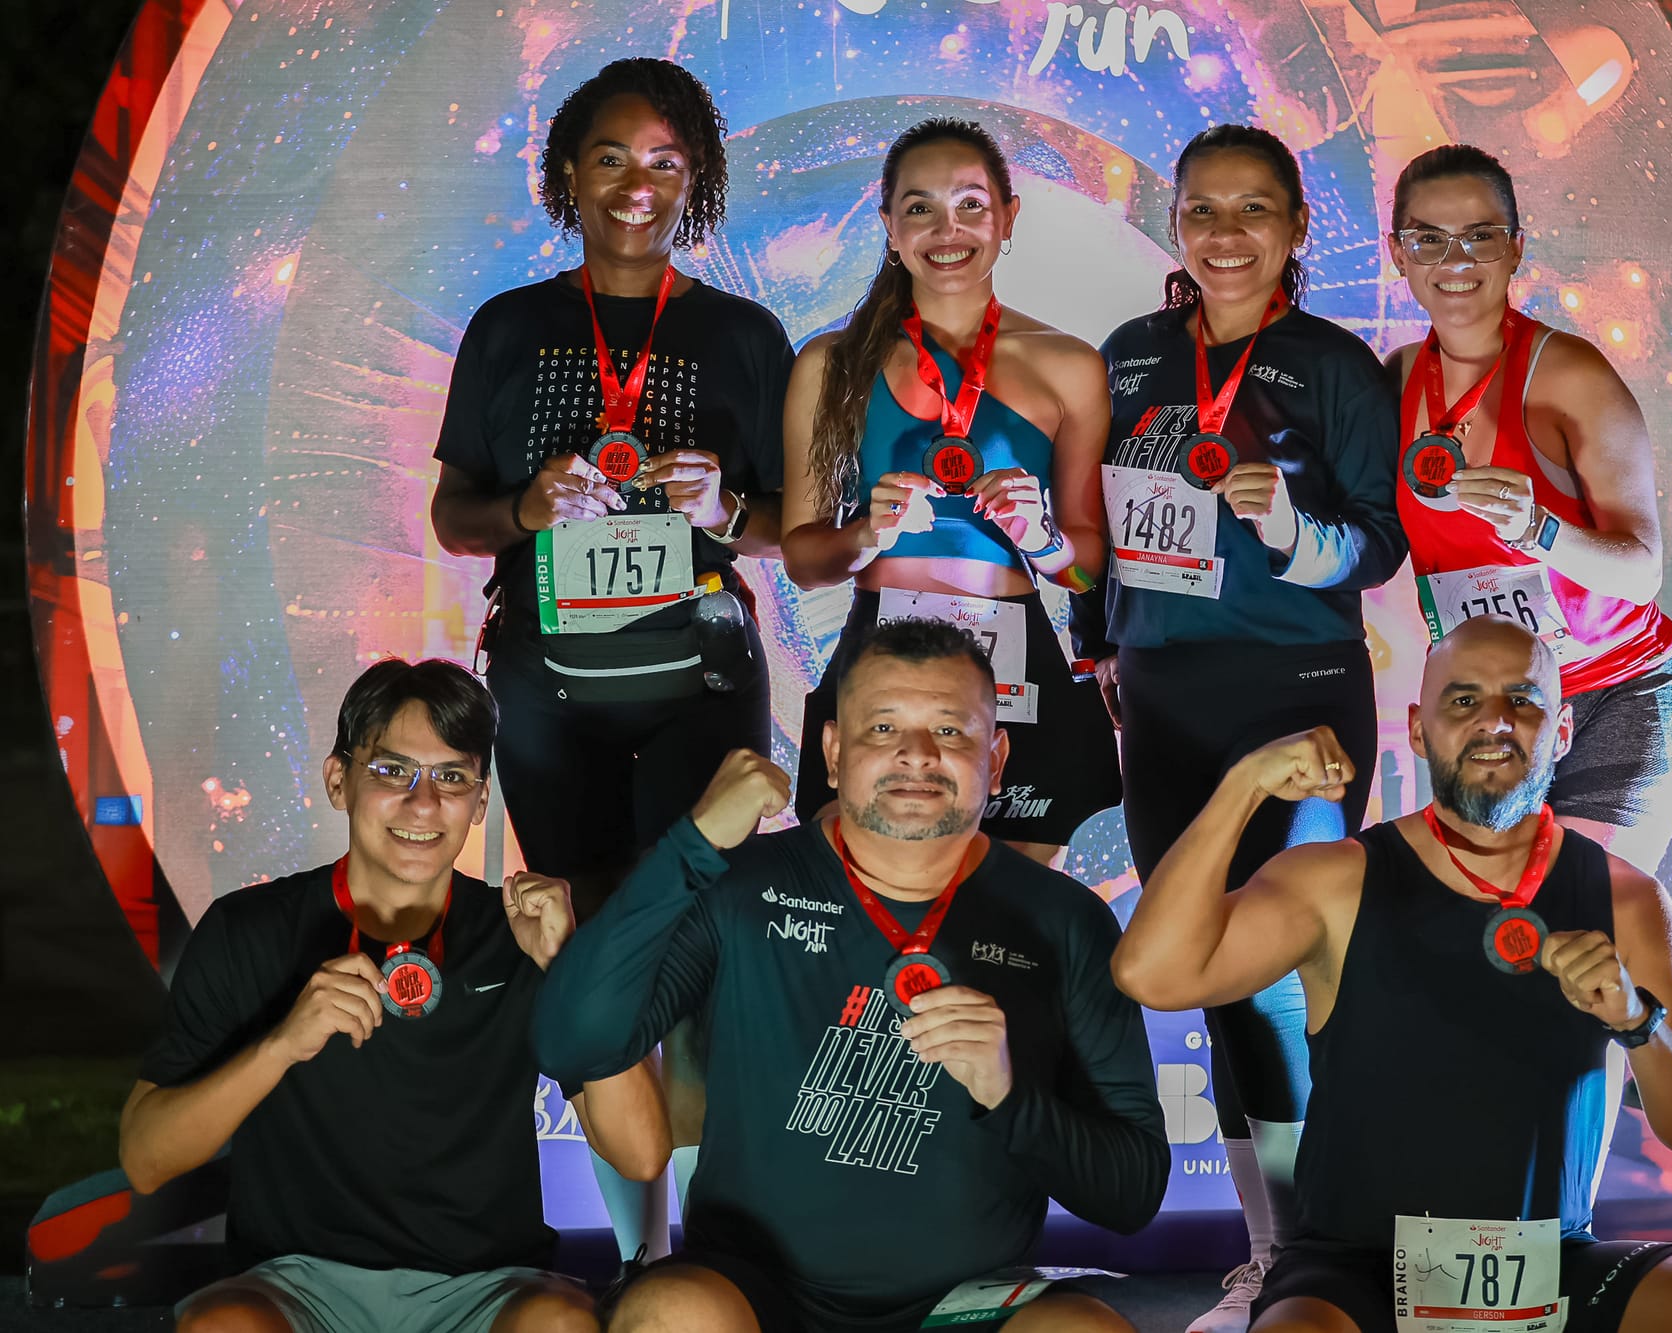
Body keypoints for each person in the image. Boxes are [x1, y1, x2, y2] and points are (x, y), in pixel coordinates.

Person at [1110, 617, 1672, 1333]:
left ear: (1560, 732)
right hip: (1356, 1270)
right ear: (1417, 727)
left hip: (1544, 1268)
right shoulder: (1336, 881)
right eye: (1463, 701)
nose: (1495, 719)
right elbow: (1150, 972)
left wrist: (1637, 1020)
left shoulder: (1624, 901)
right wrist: (1244, 785)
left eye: (1522, 700)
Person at [533, 618, 1169, 1332]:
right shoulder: (740, 885)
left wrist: (1009, 1095)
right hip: (759, 1293)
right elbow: (572, 1042)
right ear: (833, 753)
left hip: (961, 1304)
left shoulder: (1066, 919)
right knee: (669, 1313)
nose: (918, 756)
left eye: (952, 732)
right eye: (884, 728)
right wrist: (694, 842)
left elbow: (1133, 1190)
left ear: (997, 756)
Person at [429, 57, 794, 1260]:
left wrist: (724, 505)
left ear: (694, 179)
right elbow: (454, 518)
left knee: (697, 940)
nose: (635, 185)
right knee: (591, 954)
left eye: (663, 162)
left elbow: (788, 534)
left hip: (698, 677)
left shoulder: (742, 332)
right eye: (608, 159)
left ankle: (721, 1241)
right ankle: (644, 1251)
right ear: (564, 175)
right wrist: (528, 510)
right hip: (547, 687)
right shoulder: (511, 326)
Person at [1073, 123, 1405, 1330]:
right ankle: (1271, 1259)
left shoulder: (1331, 366)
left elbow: (1378, 541)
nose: (1225, 234)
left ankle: (1321, 1252)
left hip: (1296, 683)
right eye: (1202, 211)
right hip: (1163, 696)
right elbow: (1096, 517)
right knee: (1209, 973)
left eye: (1252, 210)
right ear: (1174, 225)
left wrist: (1289, 528)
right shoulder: (1128, 356)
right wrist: (1093, 637)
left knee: (1276, 973)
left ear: (1296, 228)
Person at [118, 659, 660, 1333]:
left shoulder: (523, 934)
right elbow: (145, 1159)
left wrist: (569, 966)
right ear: (338, 780)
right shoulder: (248, 930)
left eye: (452, 777)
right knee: (219, 1325)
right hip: (297, 1282)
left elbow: (640, 1153)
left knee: (559, 1323)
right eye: (392, 771)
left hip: (487, 1285)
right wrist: (281, 1044)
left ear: (481, 801)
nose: (423, 803)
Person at [780, 117, 1120, 867]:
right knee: (865, 895)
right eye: (919, 208)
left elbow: (1090, 571)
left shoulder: (1069, 365)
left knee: (1015, 915)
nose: (948, 229)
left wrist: (1044, 540)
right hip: (877, 649)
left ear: (1008, 217)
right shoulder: (832, 361)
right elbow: (803, 559)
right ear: (889, 228)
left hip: (1017, 660)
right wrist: (862, 535)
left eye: (970, 204)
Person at [1384, 143, 1672, 877]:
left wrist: (1540, 530)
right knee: (1491, 947)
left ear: (1516, 247)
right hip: (1484, 710)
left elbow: (1642, 570)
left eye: (1480, 235)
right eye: (1428, 238)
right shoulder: (1393, 380)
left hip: (1612, 693)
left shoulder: (1571, 375)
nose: (1454, 259)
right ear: (1399, 255)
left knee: (1587, 931)